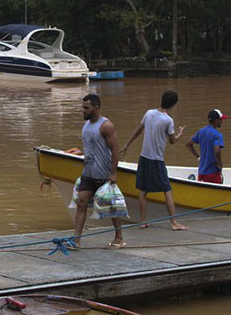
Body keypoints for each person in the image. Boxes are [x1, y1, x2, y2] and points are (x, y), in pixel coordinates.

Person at [121, 90, 187, 230]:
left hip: (144, 157)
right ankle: (174, 223)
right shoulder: (168, 120)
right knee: (167, 189)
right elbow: (173, 141)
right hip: (156, 160)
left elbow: (138, 130)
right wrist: (180, 133)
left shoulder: (149, 113)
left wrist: (127, 145)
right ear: (173, 104)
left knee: (143, 191)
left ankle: (143, 222)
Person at [69, 94, 125, 250]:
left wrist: (113, 173)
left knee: (110, 207)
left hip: (103, 174)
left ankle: (119, 237)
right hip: (88, 173)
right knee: (81, 202)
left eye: (86, 108)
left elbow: (115, 150)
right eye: (82, 107)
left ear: (96, 108)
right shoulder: (86, 125)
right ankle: (76, 240)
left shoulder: (106, 126)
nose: (83, 111)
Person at [186, 109, 227, 184]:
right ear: (216, 121)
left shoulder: (201, 132)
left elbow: (188, 144)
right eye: (221, 119)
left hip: (201, 172)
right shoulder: (217, 135)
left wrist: (198, 156)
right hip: (213, 172)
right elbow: (217, 151)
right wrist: (220, 164)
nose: (222, 121)